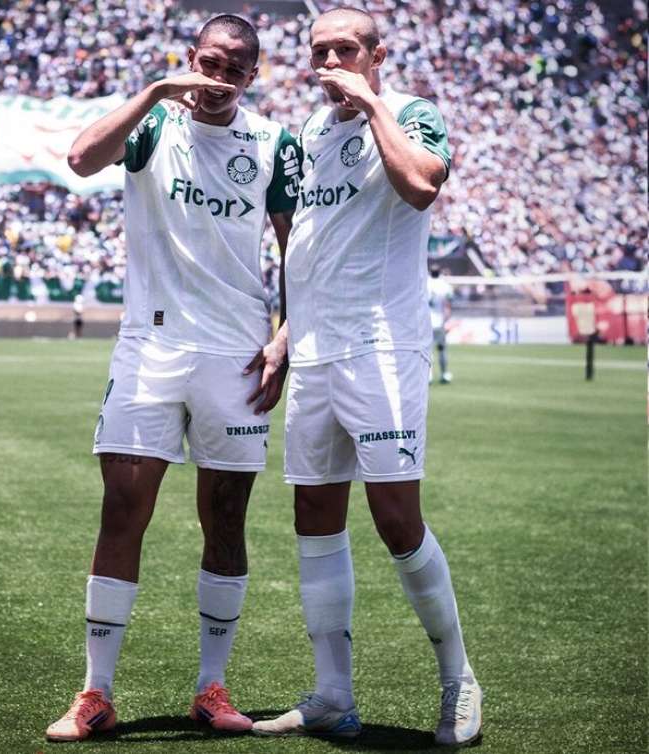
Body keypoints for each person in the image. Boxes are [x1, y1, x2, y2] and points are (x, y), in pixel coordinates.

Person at [45, 14, 299, 742]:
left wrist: (285, 337)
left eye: (234, 69)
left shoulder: (273, 143)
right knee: (123, 511)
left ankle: (211, 687)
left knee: (226, 518)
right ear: (191, 58)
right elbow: (81, 158)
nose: (217, 79)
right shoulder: (154, 124)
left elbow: (297, 253)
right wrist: (157, 89)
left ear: (252, 75)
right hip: (149, 350)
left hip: (237, 354)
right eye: (207, 63)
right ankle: (95, 693)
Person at [251, 7, 482, 747]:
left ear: (377, 55)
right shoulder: (310, 133)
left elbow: (420, 187)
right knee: (314, 518)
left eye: (344, 51)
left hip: (381, 347)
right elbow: (312, 243)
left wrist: (372, 102)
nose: (329, 64)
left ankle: (459, 680)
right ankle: (332, 695)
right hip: (316, 351)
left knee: (396, 519)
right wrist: (285, 333)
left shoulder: (411, 112)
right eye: (318, 52)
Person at [428, 265, 454, 383]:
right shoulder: (445, 285)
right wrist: (447, 320)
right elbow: (448, 304)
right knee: (441, 348)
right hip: (439, 321)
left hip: (425, 321)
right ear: (439, 272)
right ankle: (444, 374)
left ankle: (428, 376)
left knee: (428, 349)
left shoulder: (424, 283)